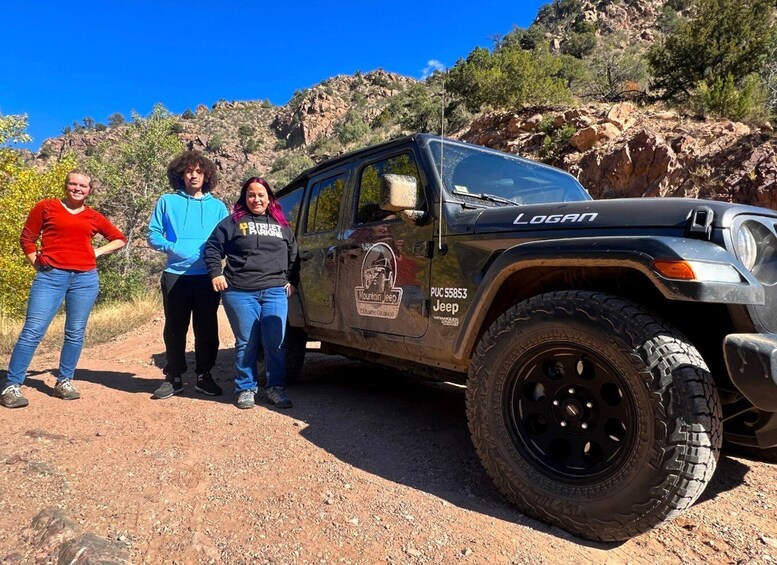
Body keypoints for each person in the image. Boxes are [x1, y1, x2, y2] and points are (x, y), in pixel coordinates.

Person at [1, 170, 127, 409]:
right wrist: (36, 262)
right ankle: (12, 385)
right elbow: (27, 238)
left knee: (75, 332)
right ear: (66, 186)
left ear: (89, 190)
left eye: (83, 186)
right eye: (73, 184)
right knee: (33, 330)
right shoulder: (46, 207)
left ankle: (64, 381)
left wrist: (97, 252)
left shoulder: (93, 216)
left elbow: (119, 238)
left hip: (85, 279)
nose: (77, 188)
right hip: (50, 277)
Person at [204, 177, 299, 410]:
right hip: (239, 292)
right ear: (244, 198)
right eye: (251, 195)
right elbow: (212, 248)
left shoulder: (282, 225)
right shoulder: (232, 222)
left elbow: (294, 256)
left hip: (274, 291)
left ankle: (275, 388)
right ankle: (245, 388)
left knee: (276, 342)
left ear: (269, 198)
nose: (256, 199)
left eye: (261, 195)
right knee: (246, 342)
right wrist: (216, 273)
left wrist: (292, 281)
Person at [147, 151, 228, 400]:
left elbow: (227, 237)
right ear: (180, 175)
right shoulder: (167, 202)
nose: (194, 175)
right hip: (175, 276)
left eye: (199, 172)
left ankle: (204, 376)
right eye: (189, 171)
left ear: (206, 176)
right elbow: (153, 234)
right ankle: (174, 377)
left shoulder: (217, 206)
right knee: (174, 328)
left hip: (207, 277)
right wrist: (171, 247)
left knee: (207, 329)